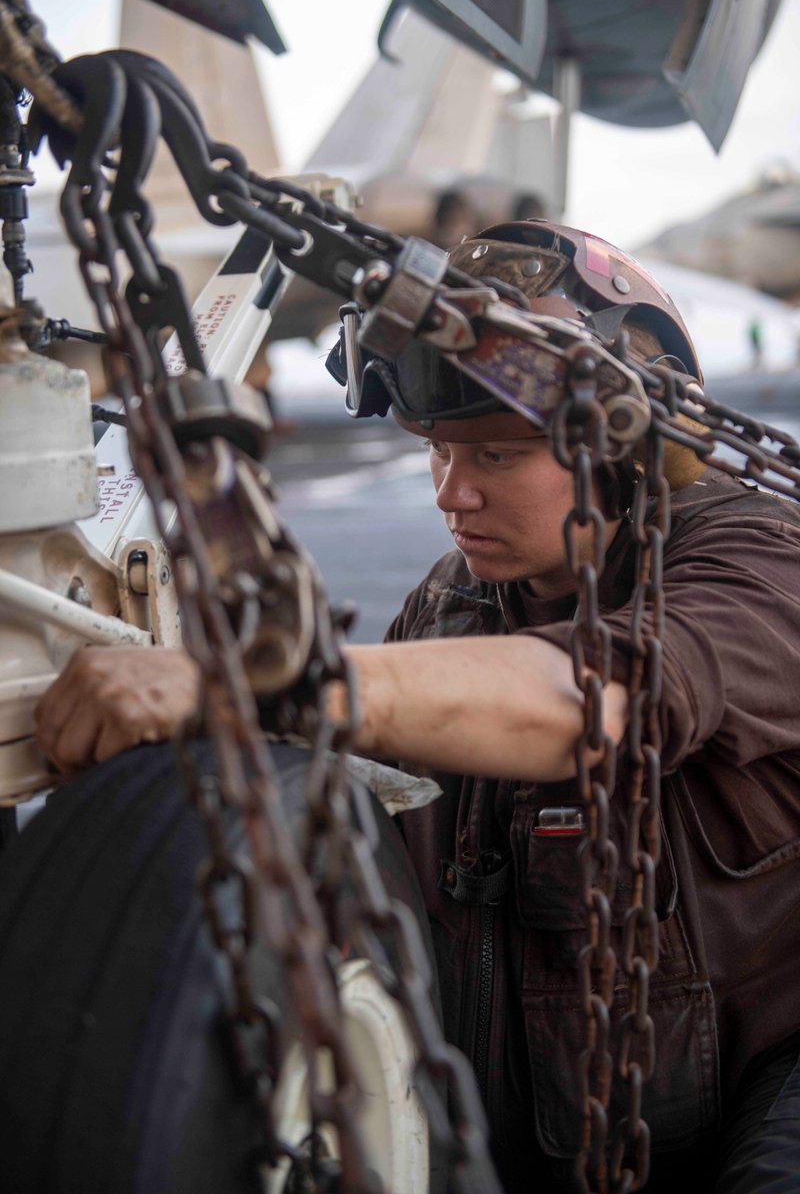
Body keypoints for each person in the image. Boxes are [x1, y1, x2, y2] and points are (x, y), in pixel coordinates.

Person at [34, 221, 800, 1192]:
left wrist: (258, 682)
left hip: (752, 1114)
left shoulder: (758, 562)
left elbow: (591, 698)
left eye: (492, 458)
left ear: (630, 443)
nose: (451, 494)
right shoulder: (451, 602)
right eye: (438, 452)